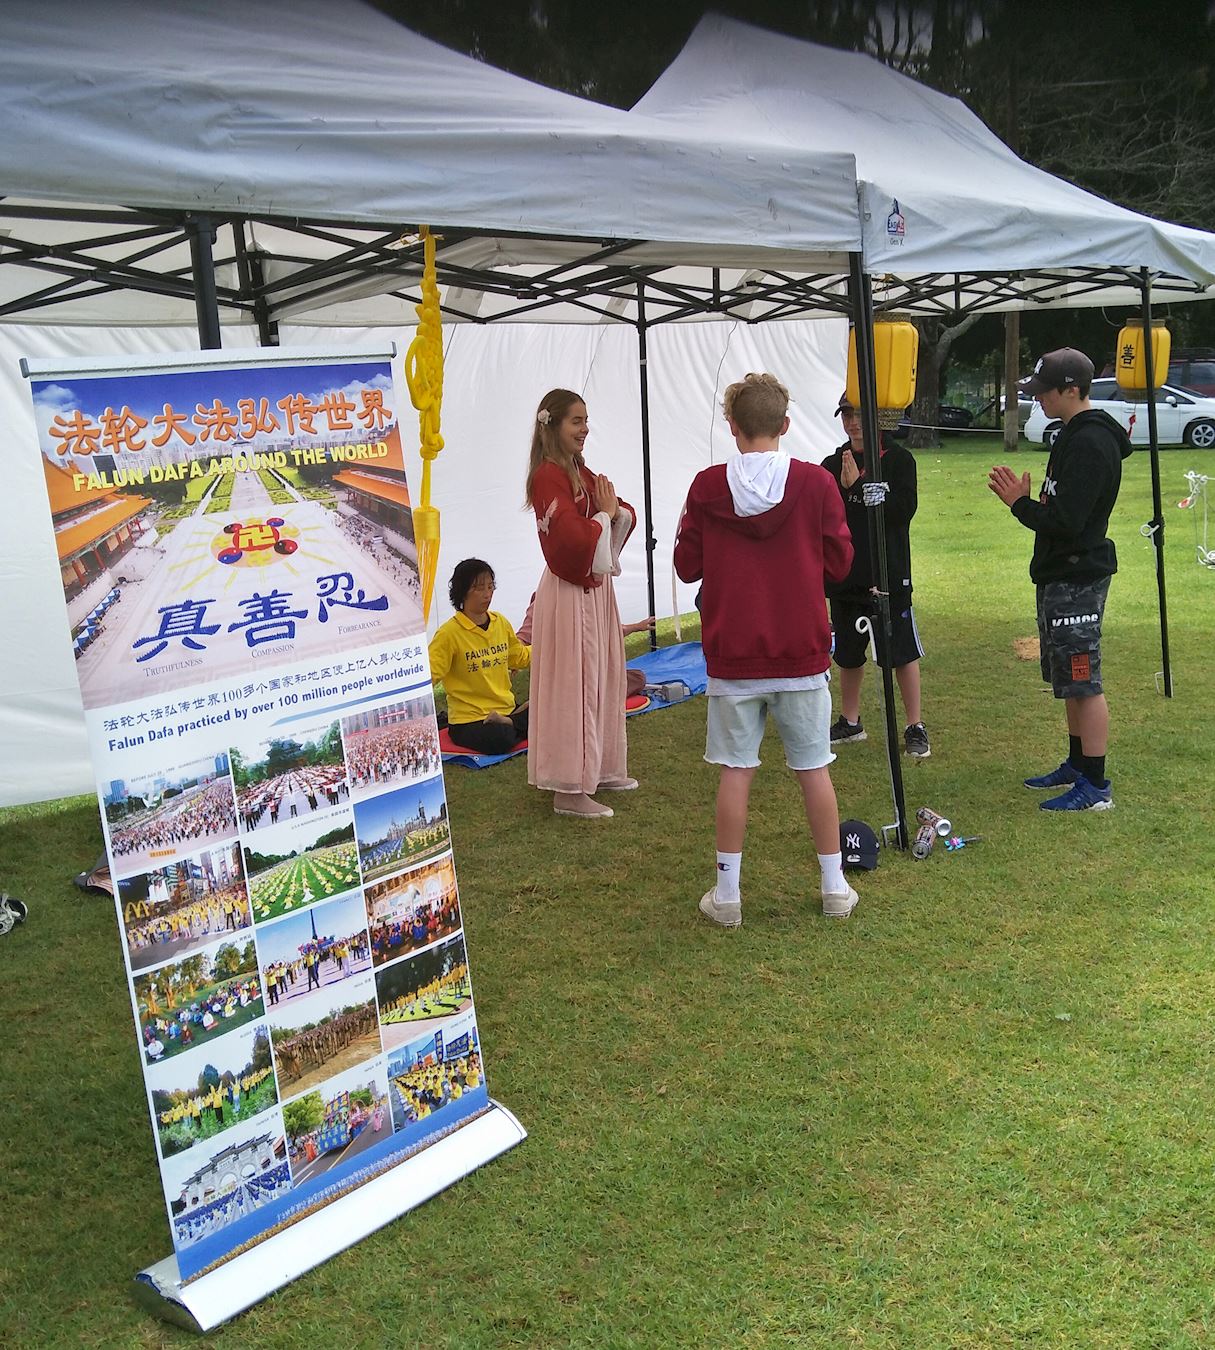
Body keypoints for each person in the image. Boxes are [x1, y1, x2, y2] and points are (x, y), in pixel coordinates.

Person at [674, 372, 858, 926]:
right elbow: (840, 563)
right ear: (785, 424)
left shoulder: (707, 487)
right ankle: (833, 886)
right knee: (813, 769)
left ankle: (727, 896)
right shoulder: (816, 484)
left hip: (734, 653)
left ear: (731, 426)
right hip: (800, 649)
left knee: (736, 771)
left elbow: (687, 566)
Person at [989, 347, 1131, 811]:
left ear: (1072, 390)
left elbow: (1069, 521)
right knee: (1070, 679)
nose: (1039, 401)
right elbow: (1062, 508)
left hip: (1078, 576)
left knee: (1083, 679)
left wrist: (1019, 504)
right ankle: (1076, 763)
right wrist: (1030, 503)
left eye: (1045, 392)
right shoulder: (1071, 434)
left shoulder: (1091, 443)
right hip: (1060, 573)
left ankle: (1096, 785)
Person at [525, 388, 637, 819]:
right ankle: (569, 788)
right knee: (576, 681)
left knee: (603, 673)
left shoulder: (577, 470)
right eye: (577, 421)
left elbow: (616, 505)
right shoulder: (547, 476)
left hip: (594, 588)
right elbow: (570, 539)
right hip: (571, 591)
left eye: (586, 420)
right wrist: (606, 516)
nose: (585, 429)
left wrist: (613, 513)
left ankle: (601, 765)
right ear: (553, 424)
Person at [821, 391, 930, 758]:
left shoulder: (899, 460)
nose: (852, 423)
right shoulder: (832, 462)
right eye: (846, 414)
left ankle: (914, 724)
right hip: (846, 576)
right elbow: (826, 519)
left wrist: (861, 488)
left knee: (900, 652)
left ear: (880, 419)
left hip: (889, 576)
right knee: (849, 654)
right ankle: (850, 721)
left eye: (860, 415)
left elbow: (902, 511)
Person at [429, 559, 531, 756]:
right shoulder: (448, 634)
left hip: (505, 709)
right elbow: (430, 675)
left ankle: (512, 721)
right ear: (462, 591)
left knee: (550, 713)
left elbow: (519, 656)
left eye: (490, 587)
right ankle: (518, 722)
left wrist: (550, 649)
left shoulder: (500, 622)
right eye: (479, 588)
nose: (487, 594)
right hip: (469, 720)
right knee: (500, 737)